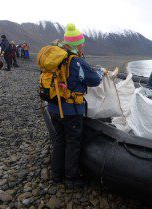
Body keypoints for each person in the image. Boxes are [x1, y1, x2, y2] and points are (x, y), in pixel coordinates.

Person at [47, 23, 103, 188]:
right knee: (73, 143)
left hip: (53, 107)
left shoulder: (55, 59)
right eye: (81, 43)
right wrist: (99, 72)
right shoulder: (76, 61)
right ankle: (71, 179)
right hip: (70, 111)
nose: (83, 45)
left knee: (59, 140)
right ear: (75, 45)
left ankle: (56, 175)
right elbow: (94, 80)